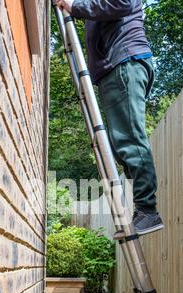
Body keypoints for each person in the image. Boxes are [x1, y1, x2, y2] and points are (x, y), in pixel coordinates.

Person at [57, 0, 164, 236]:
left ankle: (148, 211)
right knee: (121, 145)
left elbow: (122, 3)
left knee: (130, 141)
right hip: (116, 68)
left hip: (124, 62)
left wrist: (75, 6)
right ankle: (144, 210)